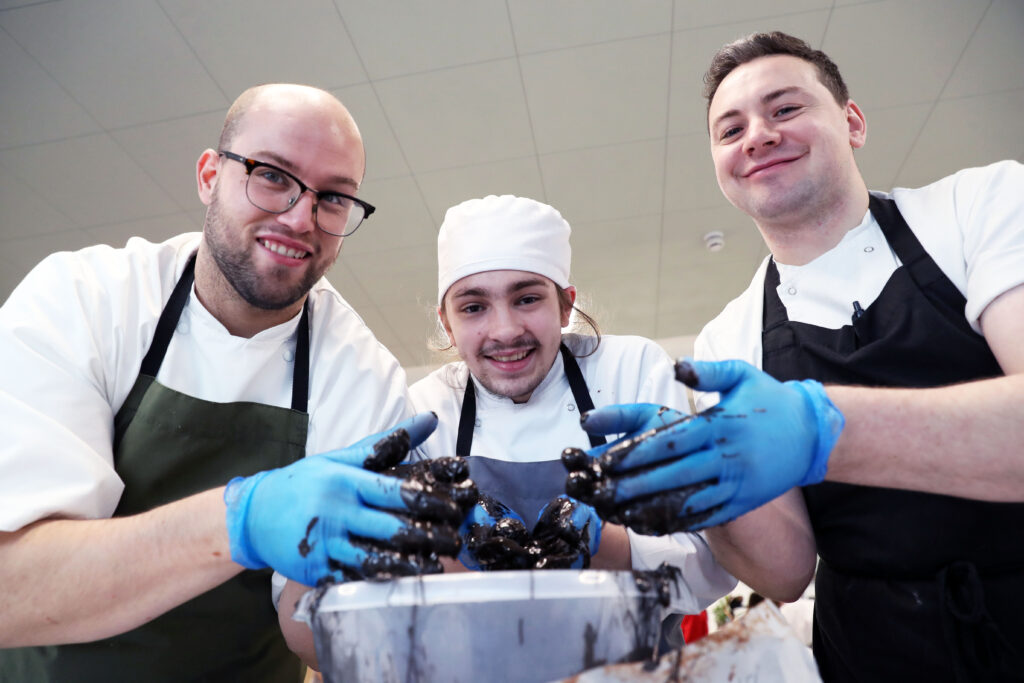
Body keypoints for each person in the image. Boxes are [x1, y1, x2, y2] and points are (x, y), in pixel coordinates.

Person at [566, 32, 1024, 682]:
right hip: (872, 652)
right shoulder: (730, 337)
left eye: (784, 109)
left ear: (853, 122)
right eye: (730, 129)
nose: (756, 136)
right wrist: (701, 492)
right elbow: (785, 570)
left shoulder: (976, 207)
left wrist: (820, 426)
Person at [0, 83, 465, 682]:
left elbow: (320, 621)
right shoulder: (84, 301)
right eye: (272, 176)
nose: (302, 217)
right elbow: (15, 588)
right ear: (209, 175)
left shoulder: (357, 373)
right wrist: (243, 521)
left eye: (333, 198)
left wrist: (426, 588)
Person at [276, 195, 735, 670]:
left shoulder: (632, 374)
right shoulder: (424, 411)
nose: (505, 330)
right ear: (447, 324)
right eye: (473, 307)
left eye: (528, 298)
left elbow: (713, 566)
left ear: (565, 305)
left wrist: (609, 545)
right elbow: (383, 599)